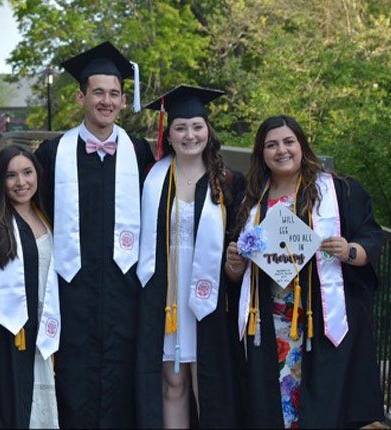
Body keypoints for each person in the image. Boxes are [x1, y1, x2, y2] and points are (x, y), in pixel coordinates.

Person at [226, 115, 384, 428]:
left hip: (321, 322)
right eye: (271, 145)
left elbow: (370, 238)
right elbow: (235, 276)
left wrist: (350, 251)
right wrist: (233, 265)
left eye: (288, 142)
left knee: (321, 406)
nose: (281, 150)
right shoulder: (250, 201)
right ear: (261, 153)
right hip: (270, 325)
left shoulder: (337, 192)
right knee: (273, 408)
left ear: (302, 146)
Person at [35, 41, 154, 427]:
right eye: (98, 92)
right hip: (72, 289)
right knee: (73, 374)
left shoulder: (139, 153)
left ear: (123, 101)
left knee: (123, 373)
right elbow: (26, 209)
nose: (106, 101)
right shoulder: (52, 154)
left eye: (114, 94)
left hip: (126, 291)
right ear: (81, 96)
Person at [136, 85, 246, 428]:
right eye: (180, 127)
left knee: (208, 381)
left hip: (211, 294)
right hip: (165, 294)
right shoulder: (151, 179)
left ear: (208, 130)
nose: (189, 135)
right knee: (172, 380)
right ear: (168, 135)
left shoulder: (228, 182)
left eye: (197, 126)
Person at [0, 144, 60, 428]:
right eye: (11, 176)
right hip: (10, 331)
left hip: (48, 324)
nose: (21, 182)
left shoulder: (47, 214)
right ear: (0, 180)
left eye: (27, 172)